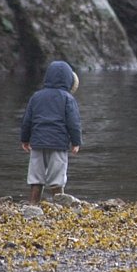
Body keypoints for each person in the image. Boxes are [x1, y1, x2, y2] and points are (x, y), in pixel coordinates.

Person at [20, 61, 82, 204]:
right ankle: (58, 203)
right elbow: (73, 122)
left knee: (36, 175)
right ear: (69, 80)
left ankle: (33, 203)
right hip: (58, 143)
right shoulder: (67, 98)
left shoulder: (36, 96)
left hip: (37, 142)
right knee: (57, 176)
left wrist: (25, 139)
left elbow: (27, 120)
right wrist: (76, 142)